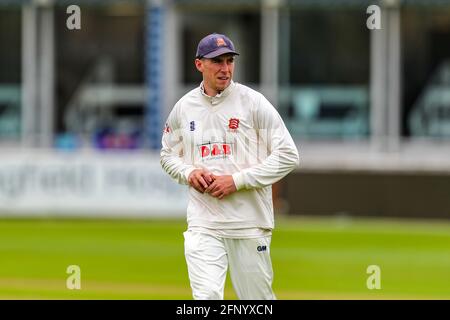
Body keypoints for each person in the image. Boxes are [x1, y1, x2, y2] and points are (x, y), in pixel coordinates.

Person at [160, 33, 299, 300]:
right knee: (207, 297)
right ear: (199, 64)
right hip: (203, 223)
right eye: (217, 62)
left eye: (229, 61)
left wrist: (237, 181)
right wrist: (189, 173)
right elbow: (167, 155)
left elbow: (288, 155)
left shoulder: (253, 103)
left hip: (248, 223)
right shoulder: (184, 107)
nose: (225, 69)